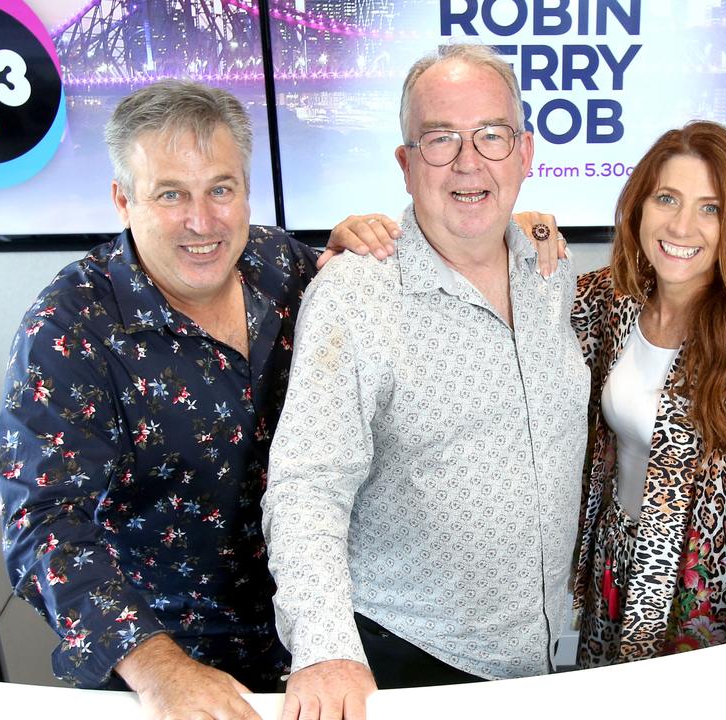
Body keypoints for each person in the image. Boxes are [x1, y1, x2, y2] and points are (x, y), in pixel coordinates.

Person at [332, 121, 726, 685]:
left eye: (711, 209)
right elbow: (505, 318)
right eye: (667, 199)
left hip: (705, 592)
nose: (682, 226)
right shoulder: (611, 299)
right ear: (639, 207)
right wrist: (364, 241)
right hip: (615, 564)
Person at [262, 44, 589, 720]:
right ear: (407, 166)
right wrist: (325, 650)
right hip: (411, 660)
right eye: (440, 140)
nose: (469, 162)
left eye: (491, 136)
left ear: (524, 155)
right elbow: (305, 487)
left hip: (542, 656)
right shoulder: (356, 295)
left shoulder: (552, 274)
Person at [0, 80, 320, 720]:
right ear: (122, 199)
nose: (202, 222)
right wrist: (157, 667)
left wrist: (506, 235)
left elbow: (398, 301)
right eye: (170, 194)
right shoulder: (68, 329)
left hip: (315, 639)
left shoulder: (283, 265)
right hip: (169, 665)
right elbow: (43, 525)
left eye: (220, 189)